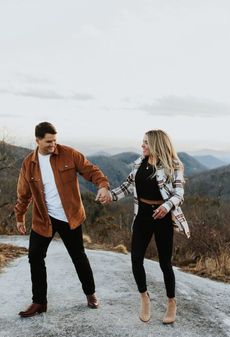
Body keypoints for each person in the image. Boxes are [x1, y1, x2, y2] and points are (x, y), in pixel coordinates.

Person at [15, 121, 111, 318]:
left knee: (78, 256)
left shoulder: (68, 153)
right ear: (37, 141)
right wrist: (20, 216)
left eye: (55, 141)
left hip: (70, 217)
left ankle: (90, 294)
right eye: (48, 142)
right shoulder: (28, 164)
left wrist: (102, 185)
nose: (53, 145)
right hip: (44, 219)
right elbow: (24, 194)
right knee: (35, 256)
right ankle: (39, 302)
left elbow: (90, 170)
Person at [99, 129, 190, 324]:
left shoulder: (174, 165)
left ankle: (171, 302)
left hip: (162, 217)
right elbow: (126, 187)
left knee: (165, 263)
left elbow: (179, 194)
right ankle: (144, 298)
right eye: (142, 142)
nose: (142, 146)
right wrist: (110, 195)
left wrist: (166, 207)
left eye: (146, 143)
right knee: (135, 259)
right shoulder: (139, 163)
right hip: (142, 216)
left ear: (157, 144)